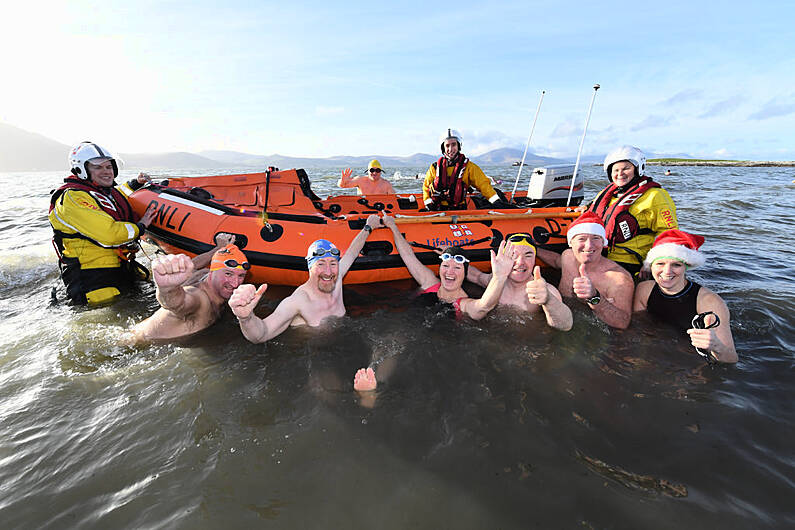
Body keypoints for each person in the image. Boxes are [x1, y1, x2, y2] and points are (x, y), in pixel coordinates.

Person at [352, 214, 515, 393]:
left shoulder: (464, 303)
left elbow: (484, 306)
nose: (449, 271)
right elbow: (408, 255)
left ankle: (374, 388)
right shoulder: (430, 282)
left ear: (465, 273)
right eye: (446, 266)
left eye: (457, 268)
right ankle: (372, 387)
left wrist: (499, 276)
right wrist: (392, 226)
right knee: (389, 342)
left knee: (398, 343)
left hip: (436, 344)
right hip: (408, 331)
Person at [228, 215, 382, 342]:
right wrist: (246, 318)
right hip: (313, 351)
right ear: (310, 267)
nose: (328, 272)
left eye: (333, 263)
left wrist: (368, 227)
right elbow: (262, 334)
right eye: (320, 264)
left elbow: (352, 252)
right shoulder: (298, 302)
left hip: (341, 339)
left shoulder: (338, 276)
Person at [49, 141, 157, 305]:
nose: (107, 171)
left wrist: (136, 183)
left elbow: (117, 197)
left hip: (119, 266)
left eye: (109, 166)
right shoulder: (73, 198)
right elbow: (110, 234)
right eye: (98, 167)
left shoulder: (101, 192)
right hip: (92, 277)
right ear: (82, 170)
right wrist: (140, 226)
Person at [633, 229, 737, 363]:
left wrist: (715, 345)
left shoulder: (709, 302)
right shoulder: (644, 289)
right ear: (650, 266)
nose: (667, 271)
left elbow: (732, 358)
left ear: (686, 267)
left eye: (676, 265)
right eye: (660, 263)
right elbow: (637, 327)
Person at [580, 145, 678, 275]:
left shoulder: (656, 195)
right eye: (615, 170)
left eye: (626, 168)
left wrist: (653, 261)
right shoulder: (606, 193)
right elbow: (593, 210)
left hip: (631, 261)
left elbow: (669, 233)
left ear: (638, 169)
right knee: (567, 256)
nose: (620, 174)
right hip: (600, 255)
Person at [128, 239, 248, 343]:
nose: (235, 283)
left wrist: (216, 250)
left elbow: (193, 265)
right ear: (213, 271)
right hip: (139, 343)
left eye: (241, 276)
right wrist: (167, 288)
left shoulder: (201, 274)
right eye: (228, 274)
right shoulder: (201, 299)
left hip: (137, 330)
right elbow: (177, 304)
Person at [466, 233, 573, 330]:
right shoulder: (496, 282)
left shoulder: (545, 291)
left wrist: (549, 300)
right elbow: (475, 275)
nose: (520, 262)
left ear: (534, 260)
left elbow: (565, 325)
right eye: (514, 255)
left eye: (528, 256)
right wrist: (451, 257)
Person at [548, 212, 634, 329]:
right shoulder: (568, 256)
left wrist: (594, 297)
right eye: (582, 239)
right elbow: (555, 261)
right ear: (571, 243)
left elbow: (622, 323)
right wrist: (534, 250)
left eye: (596, 238)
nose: (589, 246)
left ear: (603, 242)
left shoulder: (618, 279)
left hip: (596, 332)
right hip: (561, 318)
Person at [422, 129, 504, 210]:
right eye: (447, 146)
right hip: (438, 209)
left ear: (458, 146)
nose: (450, 149)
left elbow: (483, 184)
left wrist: (495, 200)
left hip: (460, 209)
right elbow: (426, 187)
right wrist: (428, 203)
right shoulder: (434, 168)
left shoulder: (469, 167)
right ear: (443, 148)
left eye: (453, 145)